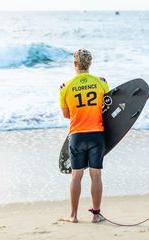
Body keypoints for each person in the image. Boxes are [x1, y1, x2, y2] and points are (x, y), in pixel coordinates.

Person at [59, 49, 109, 223]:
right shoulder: (101, 83)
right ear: (90, 64)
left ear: (75, 64)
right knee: (96, 175)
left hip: (77, 135)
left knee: (76, 175)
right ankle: (96, 215)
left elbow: (66, 115)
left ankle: (73, 216)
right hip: (97, 134)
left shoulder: (65, 87)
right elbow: (107, 109)